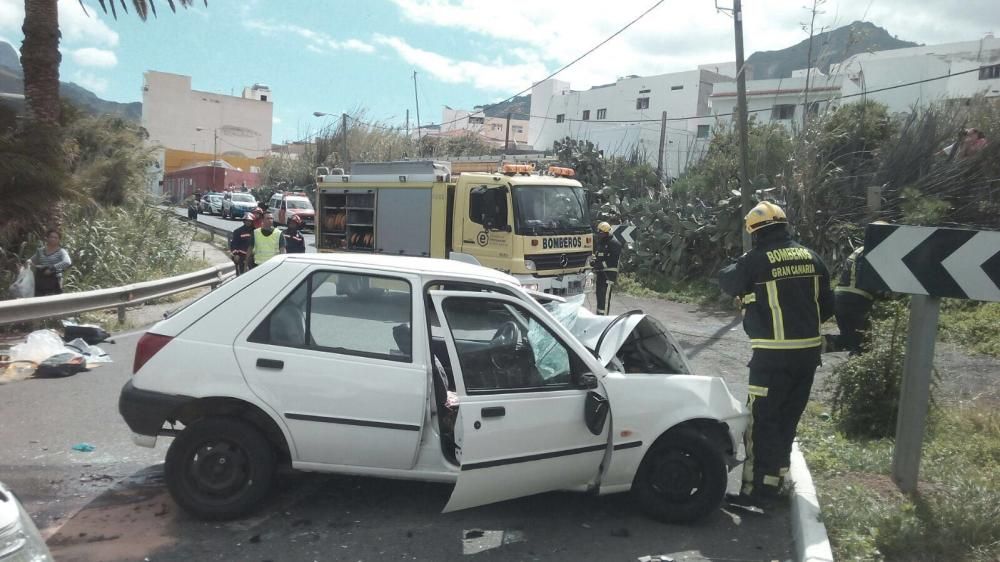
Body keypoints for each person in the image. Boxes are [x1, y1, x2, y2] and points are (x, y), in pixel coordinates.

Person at [718, 201, 833, 509]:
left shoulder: (756, 260)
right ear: (784, 225)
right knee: (786, 420)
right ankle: (775, 482)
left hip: (772, 358)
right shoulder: (813, 257)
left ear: (755, 232)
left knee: (761, 422)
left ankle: (756, 493)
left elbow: (727, 280)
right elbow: (828, 305)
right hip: (808, 356)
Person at [827, 222, 889, 355]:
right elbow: (867, 281)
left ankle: (821, 344)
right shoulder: (871, 252)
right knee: (863, 344)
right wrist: (884, 294)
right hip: (855, 301)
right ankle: (815, 346)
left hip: (842, 299)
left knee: (851, 340)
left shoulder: (863, 250)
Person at [31, 229, 72, 296]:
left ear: (59, 240)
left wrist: (52, 268)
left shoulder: (61, 252)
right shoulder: (40, 251)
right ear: (47, 238)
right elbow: (32, 260)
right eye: (51, 237)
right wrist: (27, 264)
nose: (53, 239)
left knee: (54, 301)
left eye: (56, 238)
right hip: (40, 279)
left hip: (55, 280)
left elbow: (67, 262)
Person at [593, 221, 622, 315]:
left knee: (604, 297)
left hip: (609, 275)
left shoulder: (614, 243)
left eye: (601, 233)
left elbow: (612, 260)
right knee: (599, 296)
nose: (599, 235)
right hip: (601, 274)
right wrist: (594, 262)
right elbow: (599, 256)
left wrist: (601, 265)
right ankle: (599, 316)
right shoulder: (601, 242)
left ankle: (604, 317)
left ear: (606, 233)